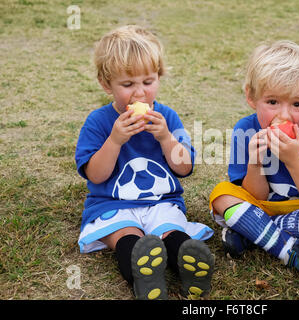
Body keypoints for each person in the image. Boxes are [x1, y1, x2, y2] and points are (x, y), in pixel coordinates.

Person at [75, 25, 214, 300]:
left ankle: (190, 267)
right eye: (127, 85)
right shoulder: (98, 122)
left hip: (161, 203)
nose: (139, 93)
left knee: (170, 232)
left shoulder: (168, 118)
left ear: (159, 78)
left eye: (148, 82)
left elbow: (184, 168)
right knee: (127, 237)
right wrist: (114, 140)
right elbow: (96, 175)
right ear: (106, 85)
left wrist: (165, 138)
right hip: (113, 205)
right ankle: (144, 277)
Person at [209, 40, 299, 286]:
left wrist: (295, 160)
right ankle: (290, 250)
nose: (285, 115)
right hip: (261, 205)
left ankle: (250, 230)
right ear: (251, 97)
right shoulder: (245, 130)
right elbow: (255, 196)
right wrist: (255, 165)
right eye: (273, 102)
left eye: (297, 104)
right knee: (221, 195)